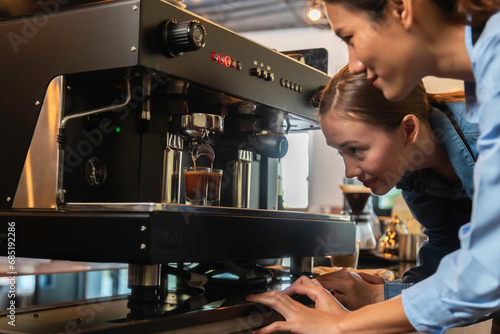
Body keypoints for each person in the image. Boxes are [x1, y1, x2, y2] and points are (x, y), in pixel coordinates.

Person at [245, 0, 500, 332]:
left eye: (349, 37)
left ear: (401, 8)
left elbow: (486, 271)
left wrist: (341, 326)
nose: (353, 65)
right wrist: (378, 296)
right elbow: (452, 255)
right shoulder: (417, 173)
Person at [313, 65, 477, 312]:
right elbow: (446, 250)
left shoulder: (488, 142)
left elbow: (489, 277)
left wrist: (378, 296)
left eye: (356, 150)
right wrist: (390, 290)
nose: (349, 172)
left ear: (409, 129)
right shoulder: (412, 173)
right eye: (341, 152)